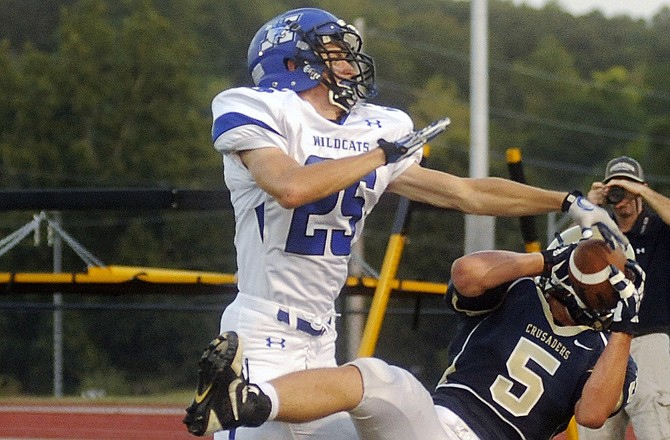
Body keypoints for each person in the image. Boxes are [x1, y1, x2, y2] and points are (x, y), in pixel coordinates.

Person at [184, 7, 626, 439]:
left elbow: (465, 192)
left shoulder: (369, 125)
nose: (348, 62)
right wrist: (381, 156)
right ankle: (234, 398)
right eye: (334, 51)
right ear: (295, 62)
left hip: (321, 334)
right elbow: (290, 187)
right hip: (262, 329)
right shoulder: (259, 108)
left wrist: (568, 202)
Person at [183, 238, 644, 439]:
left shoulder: (609, 352)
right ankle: (245, 404)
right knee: (299, 431)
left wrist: (625, 327)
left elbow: (592, 412)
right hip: (428, 425)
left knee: (382, 379)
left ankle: (248, 400)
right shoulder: (522, 290)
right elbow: (467, 274)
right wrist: (544, 258)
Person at [578, 156, 670, 440]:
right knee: (596, 431)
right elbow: (572, 260)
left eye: (628, 188)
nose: (623, 197)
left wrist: (642, 191)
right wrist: (588, 208)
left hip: (649, 339)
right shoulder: (600, 233)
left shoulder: (658, 228)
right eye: (616, 190)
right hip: (603, 345)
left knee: (655, 427)